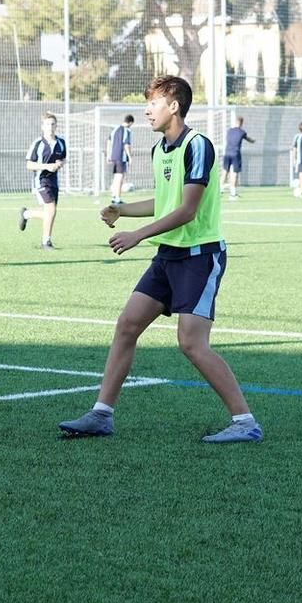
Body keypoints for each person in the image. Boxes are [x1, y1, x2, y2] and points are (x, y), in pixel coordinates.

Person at [58, 75, 263, 444]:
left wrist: (138, 235)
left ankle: (245, 421)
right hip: (168, 256)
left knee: (191, 343)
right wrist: (122, 209)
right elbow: (164, 201)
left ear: (174, 106)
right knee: (127, 325)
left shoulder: (197, 145)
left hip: (200, 257)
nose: (147, 110)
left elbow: (186, 209)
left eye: (153, 103)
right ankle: (102, 415)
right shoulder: (159, 150)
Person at [18, 112, 67, 250]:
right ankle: (46, 242)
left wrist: (60, 163)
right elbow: (29, 165)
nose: (50, 127)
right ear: (42, 126)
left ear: (56, 125)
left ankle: (27, 214)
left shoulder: (61, 143)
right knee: (51, 210)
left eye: (52, 124)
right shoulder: (38, 143)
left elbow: (63, 158)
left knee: (50, 212)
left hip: (54, 182)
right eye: (47, 124)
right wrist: (47, 166)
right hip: (41, 181)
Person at [222, 116, 255, 200]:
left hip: (227, 153)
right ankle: (233, 194)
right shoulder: (242, 132)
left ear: (235, 122)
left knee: (225, 171)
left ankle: (220, 190)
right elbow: (248, 139)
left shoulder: (229, 131)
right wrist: (253, 141)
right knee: (235, 173)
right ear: (242, 123)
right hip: (235, 154)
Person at [106, 115, 134, 205]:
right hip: (121, 157)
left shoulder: (115, 129)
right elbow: (126, 144)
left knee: (116, 177)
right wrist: (130, 157)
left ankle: (114, 196)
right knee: (119, 177)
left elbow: (109, 141)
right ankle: (117, 198)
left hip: (113, 156)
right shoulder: (127, 130)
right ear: (130, 122)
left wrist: (108, 154)